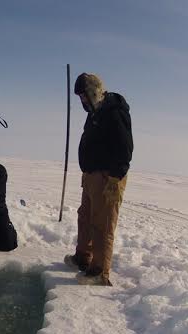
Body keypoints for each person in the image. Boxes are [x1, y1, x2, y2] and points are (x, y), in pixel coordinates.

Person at [64, 72, 133, 286]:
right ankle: (83, 257)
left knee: (102, 225)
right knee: (85, 217)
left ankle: (99, 272)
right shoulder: (95, 112)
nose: (82, 101)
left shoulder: (114, 112)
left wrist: (115, 178)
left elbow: (125, 148)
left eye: (84, 96)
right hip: (92, 175)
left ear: (94, 93)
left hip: (107, 177)